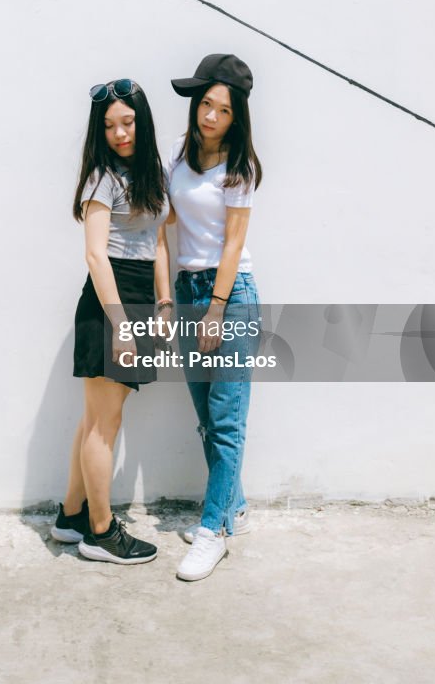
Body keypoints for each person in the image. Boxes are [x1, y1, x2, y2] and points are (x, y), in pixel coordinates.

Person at [52, 78, 171, 565]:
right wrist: (121, 324)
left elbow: (159, 242)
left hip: (142, 296)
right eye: (109, 126)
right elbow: (96, 257)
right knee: (106, 422)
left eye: (127, 122)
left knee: (96, 418)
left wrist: (164, 304)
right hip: (111, 300)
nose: (120, 133)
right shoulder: (102, 177)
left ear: (142, 121)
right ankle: (100, 533)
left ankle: (72, 516)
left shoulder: (153, 174)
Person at [166, 54, 262, 581]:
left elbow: (233, 244)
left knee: (227, 422)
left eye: (221, 110)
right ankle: (236, 508)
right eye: (205, 104)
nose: (209, 116)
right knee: (207, 419)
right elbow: (170, 223)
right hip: (186, 291)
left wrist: (217, 311)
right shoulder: (181, 157)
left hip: (231, 297)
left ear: (236, 116)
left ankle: (212, 532)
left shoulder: (240, 167)